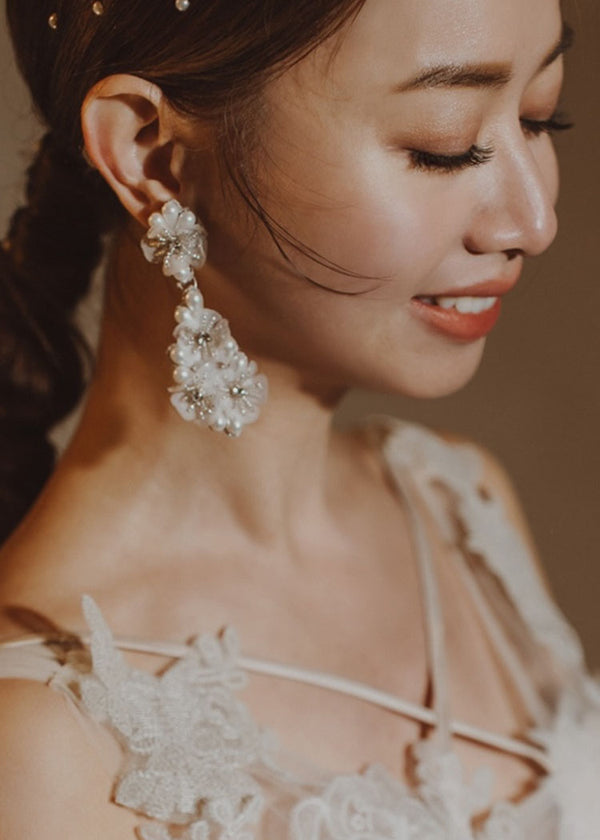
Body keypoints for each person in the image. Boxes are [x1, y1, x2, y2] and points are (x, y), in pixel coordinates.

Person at [0, 0, 596, 837]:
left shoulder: (457, 506)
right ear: (152, 157)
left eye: (541, 116)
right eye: (444, 144)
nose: (534, 222)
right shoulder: (39, 747)